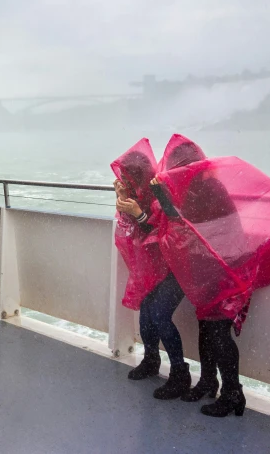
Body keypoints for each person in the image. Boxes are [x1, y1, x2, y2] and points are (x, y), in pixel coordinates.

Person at [151, 134, 270, 417]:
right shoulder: (200, 186)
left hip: (227, 269)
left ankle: (233, 394)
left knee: (217, 332)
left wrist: (163, 196)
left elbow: (184, 224)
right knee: (207, 328)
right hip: (212, 269)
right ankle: (209, 382)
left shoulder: (206, 190)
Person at [112, 138, 190, 400]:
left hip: (179, 265)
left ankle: (180, 373)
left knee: (158, 313)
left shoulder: (161, 193)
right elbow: (133, 230)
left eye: (127, 177)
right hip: (158, 266)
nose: (124, 180)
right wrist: (125, 203)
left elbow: (168, 235)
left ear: (138, 174)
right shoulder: (141, 195)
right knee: (146, 311)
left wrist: (140, 214)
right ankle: (152, 360)